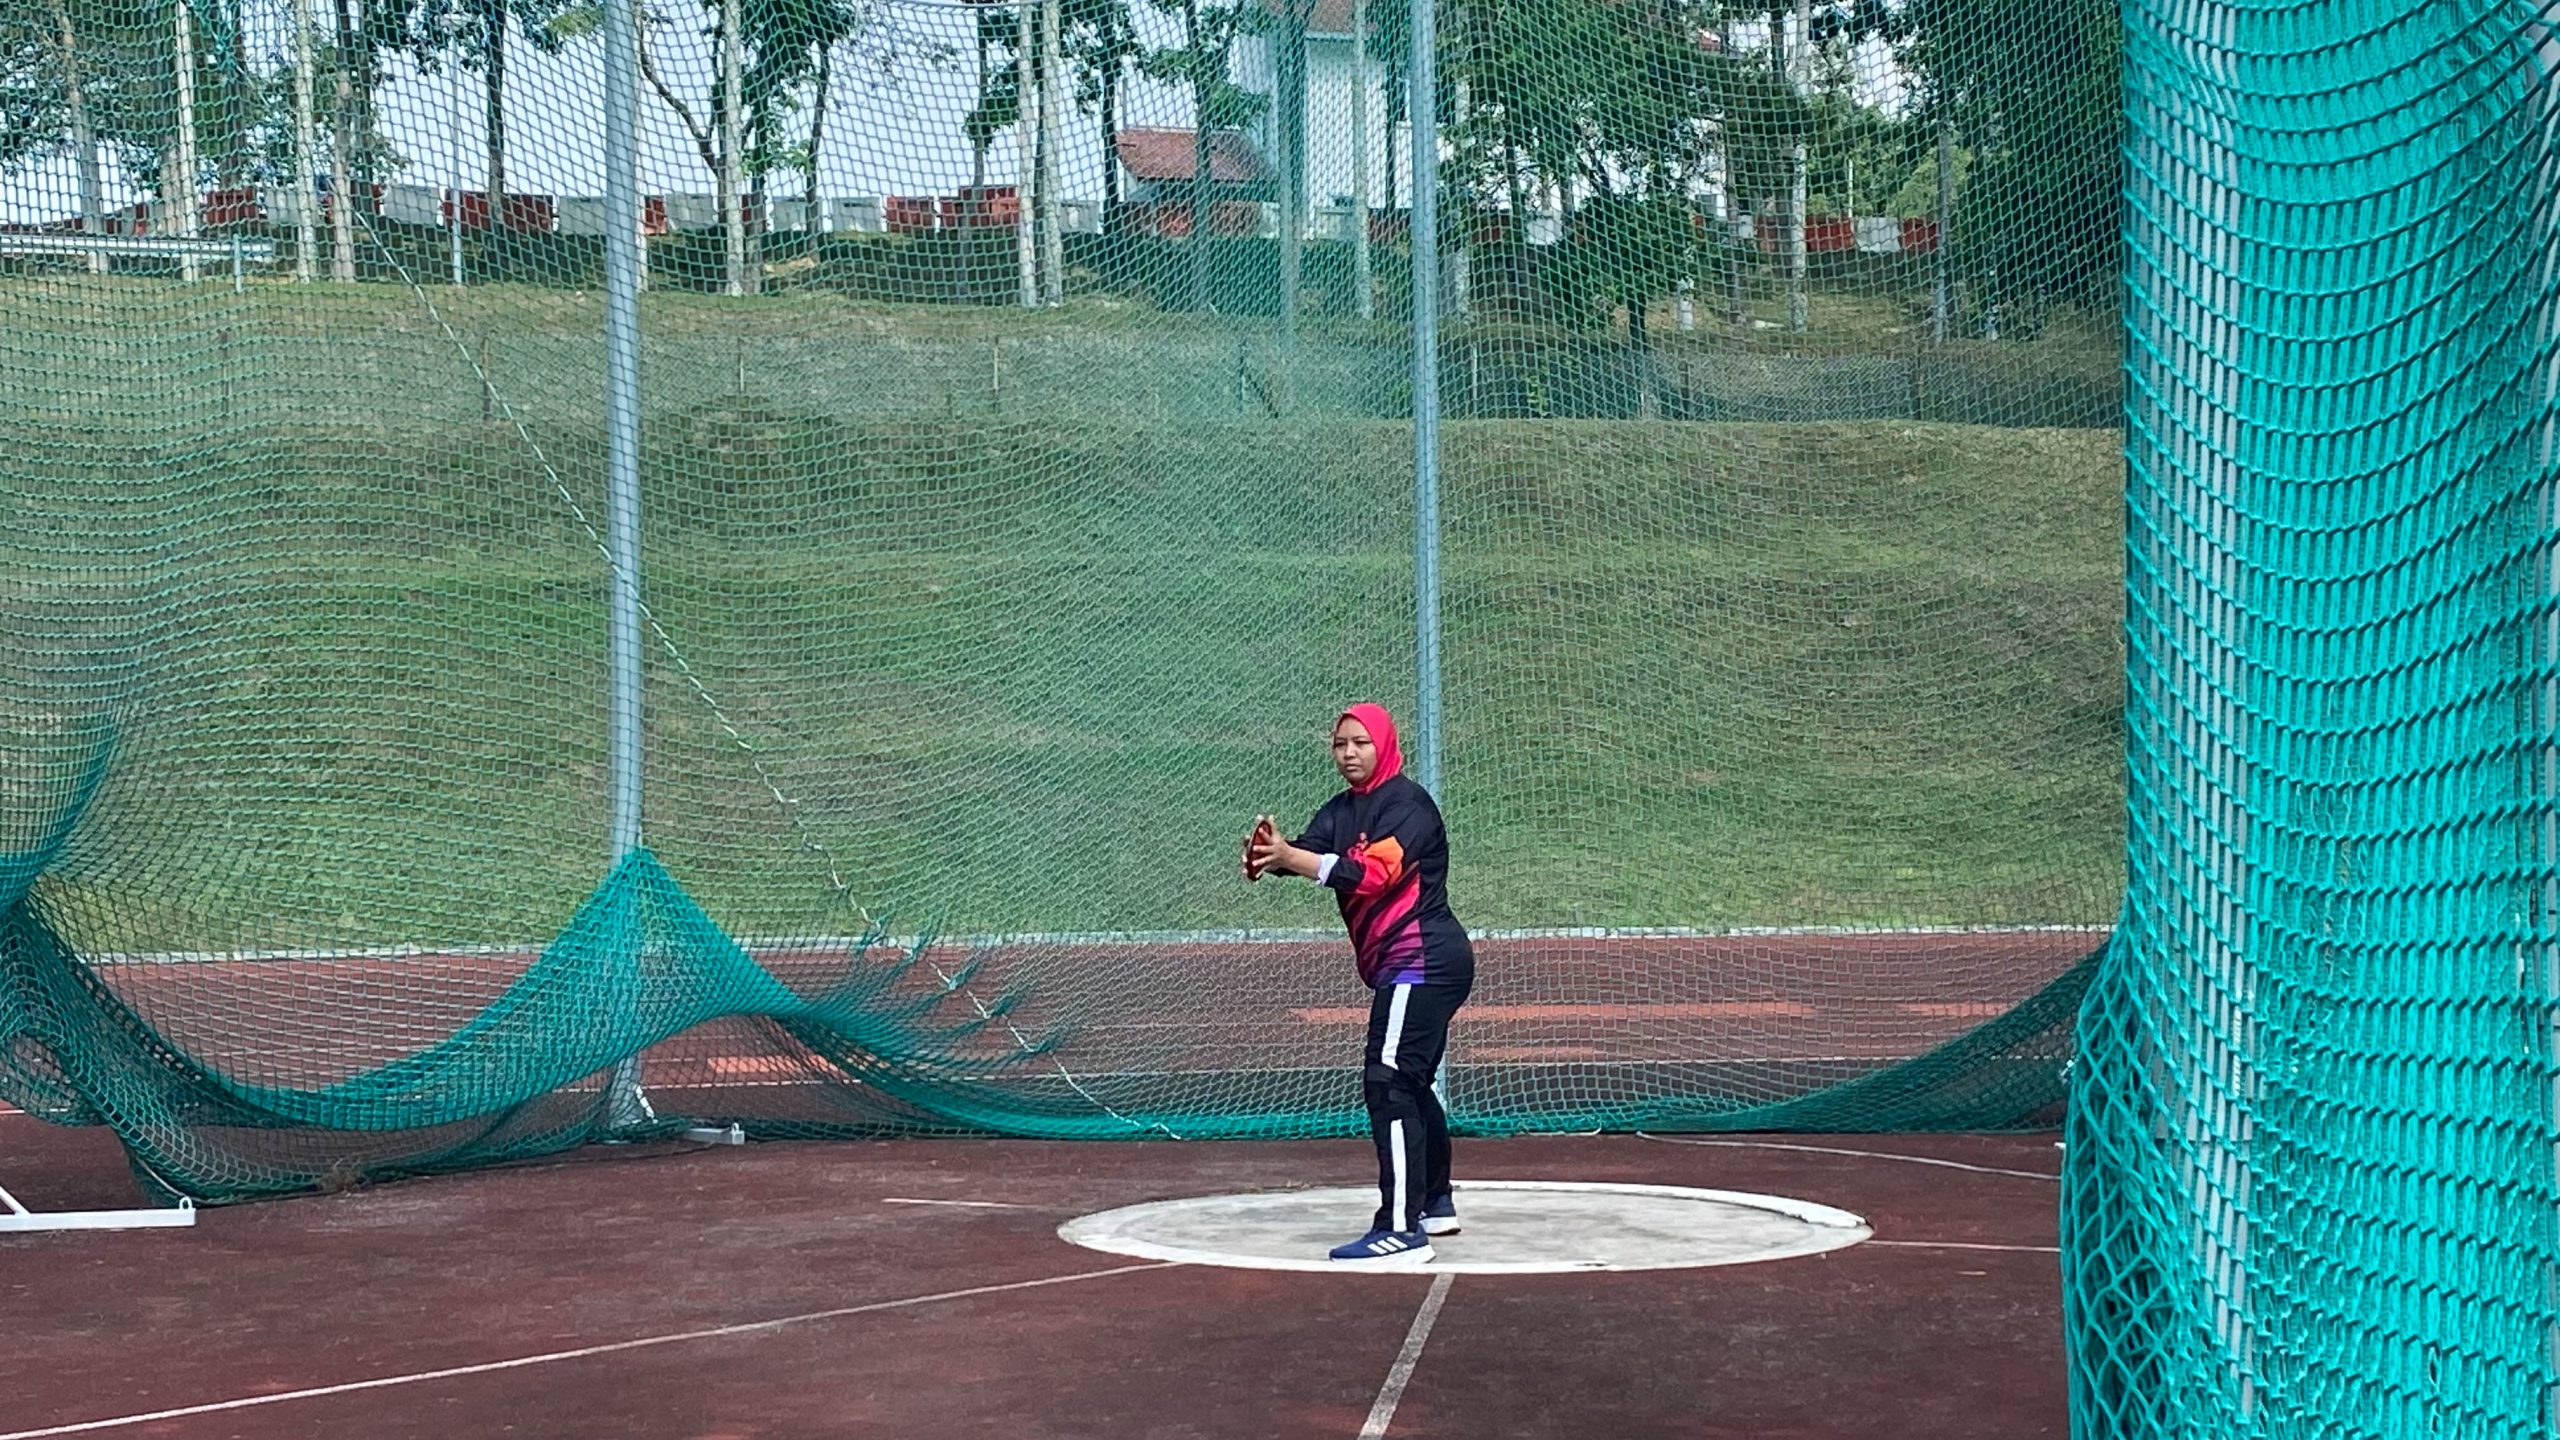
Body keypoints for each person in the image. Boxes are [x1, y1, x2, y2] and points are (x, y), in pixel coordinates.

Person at [1246, 703, 1474, 1266]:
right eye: (1340, 743)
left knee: (1389, 1079)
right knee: (1410, 1082)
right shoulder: (1342, 809)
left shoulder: (1409, 806)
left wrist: (1292, 857)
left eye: (1361, 743)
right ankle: (1435, 1202)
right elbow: (1306, 851)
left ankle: (1399, 1229)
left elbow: (1374, 874)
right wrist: (1270, 855)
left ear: (1385, 745)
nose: (1349, 753)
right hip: (1410, 964)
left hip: (1423, 959)